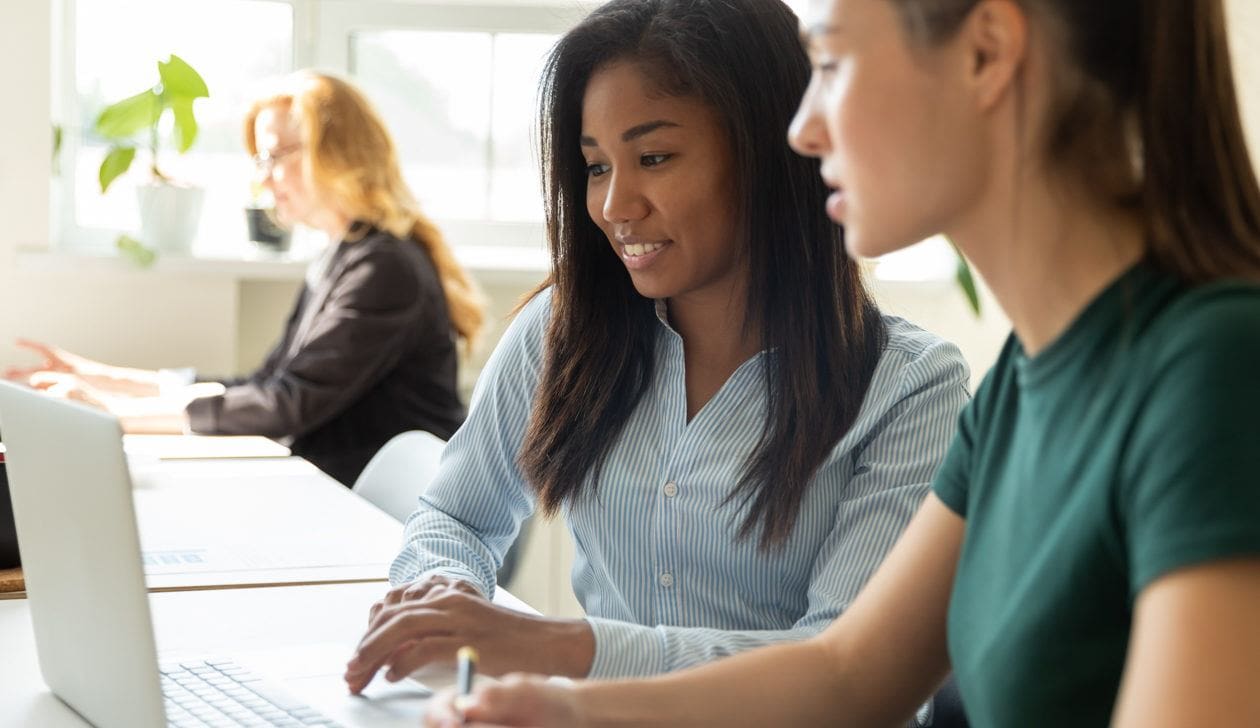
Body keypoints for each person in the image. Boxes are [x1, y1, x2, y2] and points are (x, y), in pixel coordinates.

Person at [419, 0, 1260, 725]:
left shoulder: (1214, 371)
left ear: (985, 53)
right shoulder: (1023, 381)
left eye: (829, 61)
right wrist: (558, 707)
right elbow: (847, 678)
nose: (801, 128)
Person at [344, 0, 969, 698]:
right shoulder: (564, 331)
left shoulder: (911, 387)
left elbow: (841, 668)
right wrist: (444, 594)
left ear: (773, 152)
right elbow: (456, 513)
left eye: (654, 157)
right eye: (596, 167)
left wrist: (559, 647)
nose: (614, 205)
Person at [7, 72, 485, 487]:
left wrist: (112, 415)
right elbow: (266, 385)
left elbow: (284, 404)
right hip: (342, 495)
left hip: (386, 517)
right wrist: (113, 382)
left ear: (336, 155)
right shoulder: (343, 257)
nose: (265, 177)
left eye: (275, 156)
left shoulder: (385, 270)